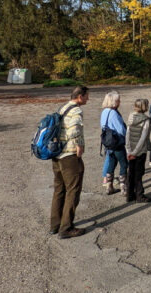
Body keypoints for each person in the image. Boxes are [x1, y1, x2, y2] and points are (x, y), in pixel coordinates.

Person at [50, 85, 89, 239]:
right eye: (87, 96)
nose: (88, 99)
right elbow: (75, 130)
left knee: (59, 189)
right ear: (80, 96)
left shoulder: (63, 107)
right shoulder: (76, 111)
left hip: (57, 154)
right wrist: (79, 145)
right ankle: (66, 228)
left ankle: (55, 224)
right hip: (69, 155)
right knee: (73, 190)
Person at [125, 99, 151, 203]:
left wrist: (129, 150)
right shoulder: (146, 120)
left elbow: (127, 133)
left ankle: (129, 195)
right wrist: (135, 152)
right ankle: (139, 195)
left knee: (131, 173)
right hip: (140, 151)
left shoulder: (131, 116)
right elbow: (143, 137)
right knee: (138, 173)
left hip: (131, 149)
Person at [100, 91, 128, 196]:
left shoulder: (104, 112)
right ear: (113, 101)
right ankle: (123, 188)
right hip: (117, 142)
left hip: (108, 142)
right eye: (118, 100)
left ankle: (109, 186)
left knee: (111, 163)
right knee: (124, 163)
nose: (119, 102)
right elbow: (121, 130)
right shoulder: (113, 113)